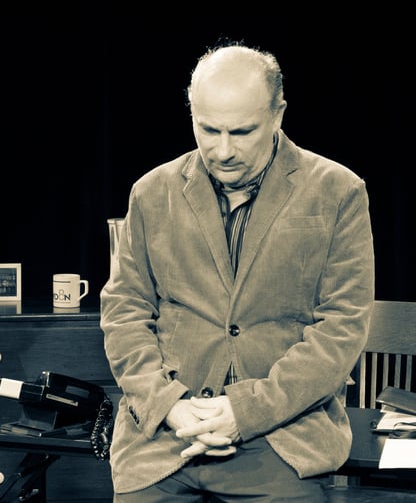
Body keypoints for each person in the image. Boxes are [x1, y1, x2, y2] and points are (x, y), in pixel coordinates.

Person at [100, 43, 374, 502]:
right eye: (208, 129)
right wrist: (170, 407)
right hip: (166, 442)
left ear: (278, 114)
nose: (222, 151)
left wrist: (243, 412)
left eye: (242, 132)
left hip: (280, 438)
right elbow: (124, 312)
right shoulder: (151, 193)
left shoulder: (338, 192)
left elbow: (341, 329)